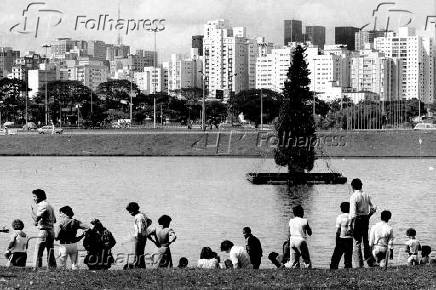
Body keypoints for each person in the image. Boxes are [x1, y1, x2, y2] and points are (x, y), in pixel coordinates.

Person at [349, 178, 376, 268]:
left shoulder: (354, 196)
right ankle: (369, 261)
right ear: (361, 185)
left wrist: (350, 225)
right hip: (365, 218)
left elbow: (352, 214)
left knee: (357, 242)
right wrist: (369, 215)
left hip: (357, 219)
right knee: (365, 240)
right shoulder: (366, 195)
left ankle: (359, 264)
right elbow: (374, 207)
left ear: (352, 186)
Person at [31, 189, 57, 269]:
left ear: (39, 197)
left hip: (44, 231)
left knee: (38, 251)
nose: (33, 199)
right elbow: (55, 220)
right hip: (51, 231)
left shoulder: (41, 205)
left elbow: (36, 218)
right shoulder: (49, 205)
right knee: (50, 251)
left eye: (35, 196)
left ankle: (36, 268)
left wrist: (32, 211)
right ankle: (52, 267)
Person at [126, 202, 152, 268]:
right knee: (141, 253)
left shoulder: (138, 217)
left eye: (130, 211)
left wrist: (138, 236)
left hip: (140, 237)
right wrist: (146, 227)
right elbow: (149, 221)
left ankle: (138, 266)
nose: (129, 213)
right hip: (143, 236)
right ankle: (141, 266)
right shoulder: (142, 214)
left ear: (133, 209)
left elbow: (140, 228)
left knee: (138, 253)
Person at [330, 202, 353, 269]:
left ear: (341, 209)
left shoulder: (339, 217)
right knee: (348, 256)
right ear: (349, 208)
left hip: (341, 238)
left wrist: (337, 241)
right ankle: (348, 267)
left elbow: (338, 231)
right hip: (350, 238)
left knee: (336, 257)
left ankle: (333, 268)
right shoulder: (352, 217)